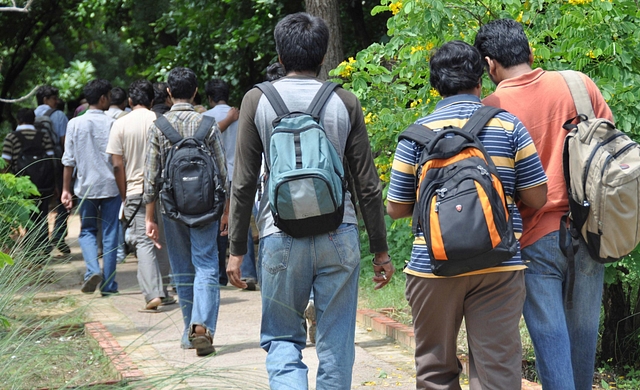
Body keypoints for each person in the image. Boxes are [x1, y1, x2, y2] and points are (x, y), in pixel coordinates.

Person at [226, 12, 394, 389]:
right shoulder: (344, 101)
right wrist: (380, 250)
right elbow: (366, 183)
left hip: (279, 233)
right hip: (340, 231)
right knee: (336, 342)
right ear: (322, 58)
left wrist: (237, 248)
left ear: (280, 57)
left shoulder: (258, 100)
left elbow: (243, 182)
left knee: (283, 336)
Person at [387, 40, 548, 389]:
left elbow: (396, 208)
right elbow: (537, 196)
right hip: (498, 263)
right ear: (481, 78)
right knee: (498, 373)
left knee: (434, 370)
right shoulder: (509, 126)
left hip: (433, 265)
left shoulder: (416, 135)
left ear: (435, 84)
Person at [474, 19, 613, 389]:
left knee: (550, 342)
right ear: (530, 52)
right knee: (583, 338)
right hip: (592, 231)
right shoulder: (578, 84)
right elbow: (611, 152)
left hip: (534, 237)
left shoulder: (490, 109)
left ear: (489, 65)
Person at [143, 67, 229, 357]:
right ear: (195, 92)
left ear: (168, 93)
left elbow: (151, 176)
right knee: (206, 264)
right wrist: (226, 210)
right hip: (206, 207)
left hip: (171, 208)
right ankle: (201, 325)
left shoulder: (159, 126)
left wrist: (149, 216)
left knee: (181, 269)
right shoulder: (208, 124)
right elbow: (222, 172)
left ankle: (187, 331)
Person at [106, 79, 174, 312]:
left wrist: (125, 197)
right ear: (153, 100)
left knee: (144, 241)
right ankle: (164, 290)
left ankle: (153, 293)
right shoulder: (162, 122)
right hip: (164, 191)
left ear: (130, 101)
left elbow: (117, 165)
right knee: (162, 240)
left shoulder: (120, 124)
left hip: (136, 190)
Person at [61, 79, 120, 296]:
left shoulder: (74, 123)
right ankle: (109, 286)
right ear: (103, 98)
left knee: (86, 231)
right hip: (111, 188)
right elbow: (117, 162)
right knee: (111, 234)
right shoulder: (113, 122)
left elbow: (68, 160)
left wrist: (65, 189)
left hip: (85, 187)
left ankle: (92, 270)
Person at [203, 79, 253, 289]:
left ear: (209, 98)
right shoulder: (241, 116)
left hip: (214, 176)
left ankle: (218, 274)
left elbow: (204, 140)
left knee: (216, 224)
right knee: (242, 222)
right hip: (239, 173)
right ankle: (248, 273)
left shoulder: (205, 117)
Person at [3, 108, 56, 254]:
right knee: (42, 213)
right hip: (43, 183)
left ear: (18, 120)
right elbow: (51, 160)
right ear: (33, 120)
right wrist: (54, 183)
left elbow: (5, 163)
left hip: (21, 184)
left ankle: (31, 247)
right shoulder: (43, 136)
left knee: (26, 215)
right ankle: (43, 244)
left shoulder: (11, 137)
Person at [35, 85, 70, 255]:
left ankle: (40, 241)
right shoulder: (59, 115)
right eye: (54, 98)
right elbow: (65, 143)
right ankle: (58, 232)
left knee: (38, 202)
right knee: (64, 197)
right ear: (45, 99)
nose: (57, 101)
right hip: (56, 162)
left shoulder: (31, 115)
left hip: (34, 166)